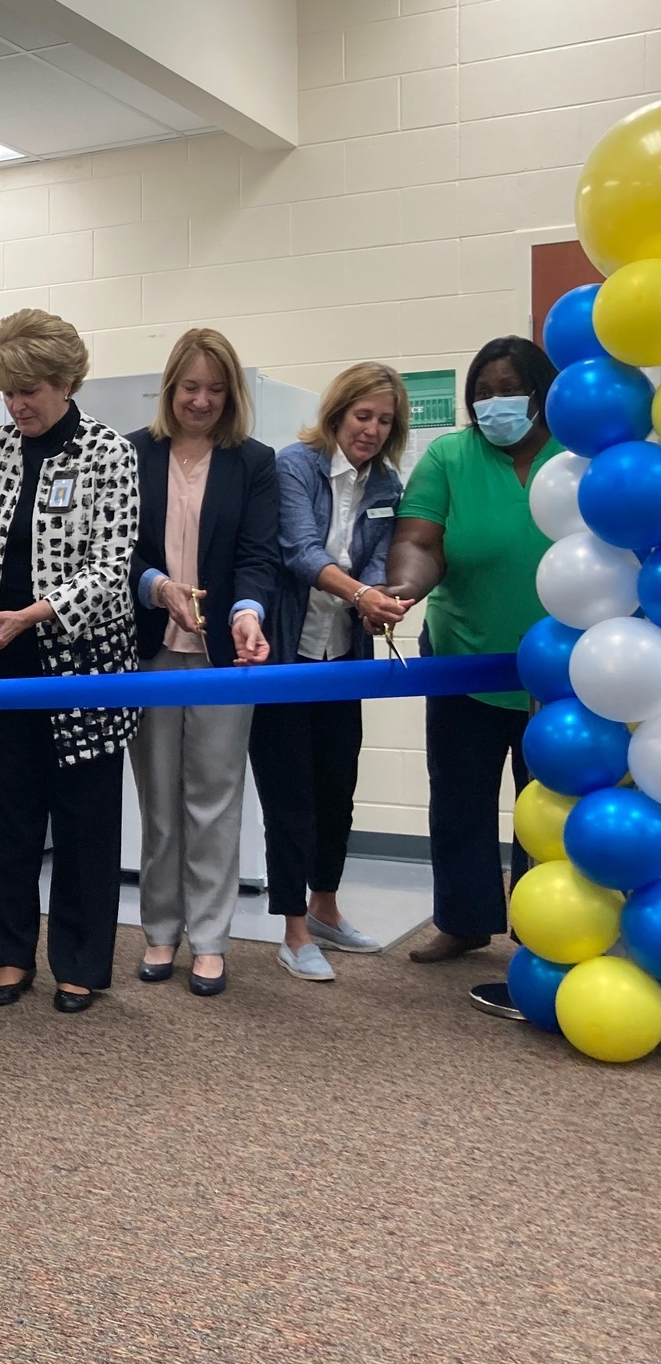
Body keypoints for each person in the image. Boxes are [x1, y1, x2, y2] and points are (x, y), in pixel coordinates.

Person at [0, 309, 139, 1016]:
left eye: (30, 390)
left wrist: (38, 611)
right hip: (4, 662)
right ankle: (10, 955)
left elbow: (113, 567)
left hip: (82, 664)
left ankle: (82, 964)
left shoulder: (108, 453)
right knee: (13, 817)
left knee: (88, 822)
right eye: (7, 392)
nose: (18, 405)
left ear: (66, 382)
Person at [384, 336, 561, 968]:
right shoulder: (452, 456)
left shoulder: (579, 454)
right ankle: (463, 921)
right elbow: (420, 539)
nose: (495, 403)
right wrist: (402, 588)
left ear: (541, 392)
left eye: (508, 389)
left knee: (549, 801)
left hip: (566, 672)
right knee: (459, 793)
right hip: (463, 655)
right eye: (482, 393)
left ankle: (543, 927)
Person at [248, 362, 413, 982]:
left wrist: (377, 598)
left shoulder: (386, 483)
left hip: (344, 656)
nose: (371, 429)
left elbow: (378, 555)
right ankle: (292, 930)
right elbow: (298, 549)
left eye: (384, 420)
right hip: (288, 655)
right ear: (338, 413)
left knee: (336, 788)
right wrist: (361, 594)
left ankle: (325, 908)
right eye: (362, 415)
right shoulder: (295, 464)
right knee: (288, 794)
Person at [128, 327, 279, 997]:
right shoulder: (132, 454)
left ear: (232, 394)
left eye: (215, 389)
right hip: (150, 650)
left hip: (223, 655)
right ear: (171, 388)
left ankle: (211, 939)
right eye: (190, 387)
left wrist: (247, 612)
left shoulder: (254, 462)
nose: (201, 400)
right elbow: (120, 551)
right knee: (159, 801)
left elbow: (258, 556)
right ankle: (161, 930)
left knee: (214, 802)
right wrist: (157, 586)